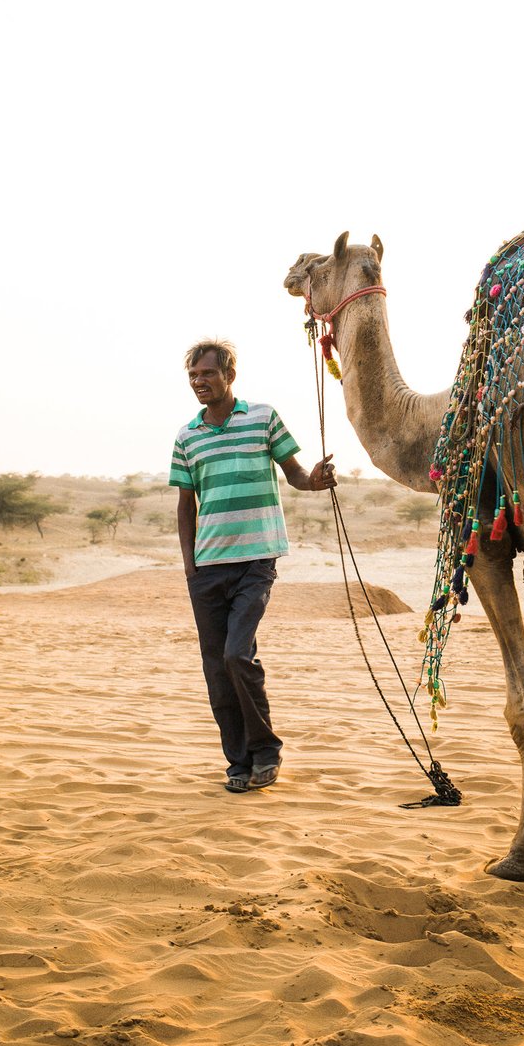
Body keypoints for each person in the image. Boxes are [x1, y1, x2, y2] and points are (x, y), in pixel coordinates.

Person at [170, 337, 335, 793]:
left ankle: (267, 751)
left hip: (256, 562)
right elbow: (186, 505)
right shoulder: (187, 436)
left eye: (207, 374)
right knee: (216, 670)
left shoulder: (262, 417)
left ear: (229, 375)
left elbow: (296, 474)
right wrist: (190, 566)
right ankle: (239, 762)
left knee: (237, 654)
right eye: (193, 376)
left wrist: (314, 481)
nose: (199, 382)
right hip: (206, 568)